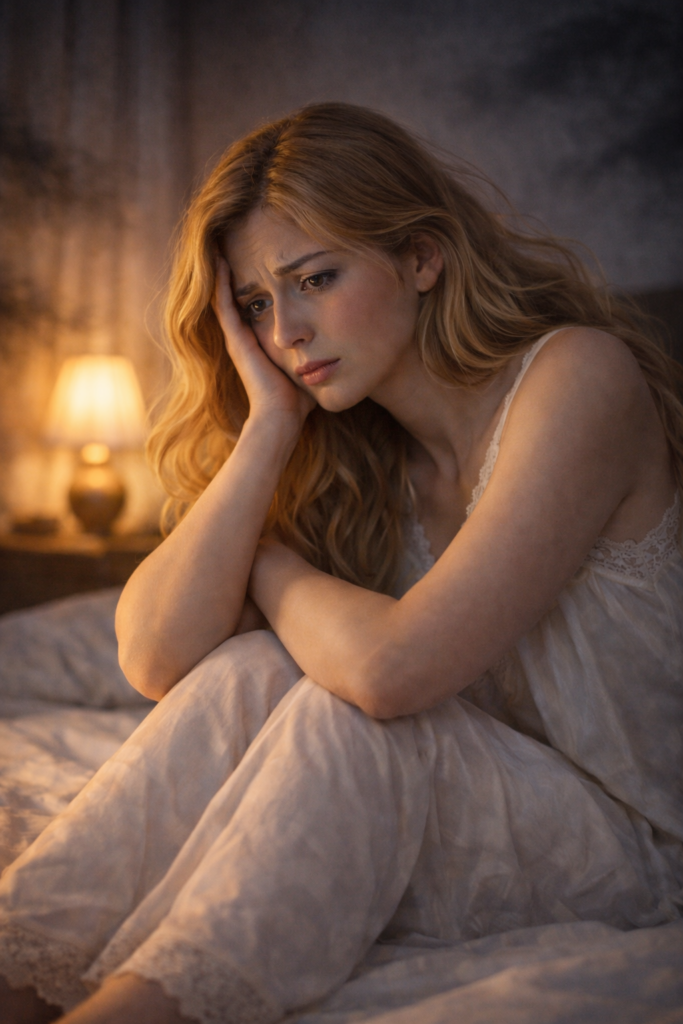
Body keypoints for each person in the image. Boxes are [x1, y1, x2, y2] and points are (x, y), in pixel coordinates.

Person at [1, 102, 682, 1024]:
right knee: (249, 667)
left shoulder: (576, 378)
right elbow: (153, 658)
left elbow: (392, 669)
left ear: (421, 257)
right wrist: (266, 433)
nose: (285, 331)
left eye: (313, 278)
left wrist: (269, 567)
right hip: (488, 813)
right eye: (254, 305)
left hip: (643, 847)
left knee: (347, 710)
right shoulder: (355, 453)